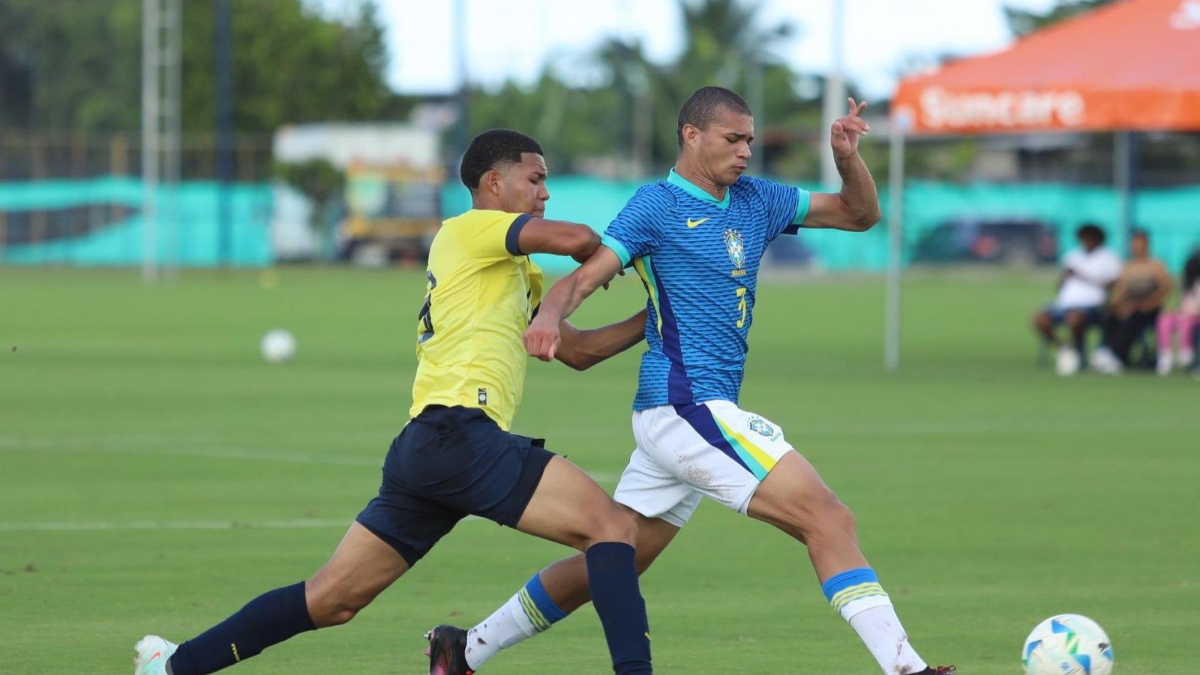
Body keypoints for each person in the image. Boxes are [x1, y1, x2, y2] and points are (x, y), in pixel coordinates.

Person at [426, 87, 955, 675]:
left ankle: (465, 648)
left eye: (750, 140)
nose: (745, 152)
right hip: (687, 407)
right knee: (827, 517)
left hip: (683, 414)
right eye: (733, 140)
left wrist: (847, 157)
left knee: (617, 554)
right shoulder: (653, 207)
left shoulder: (759, 200)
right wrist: (550, 316)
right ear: (692, 136)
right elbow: (585, 276)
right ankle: (905, 667)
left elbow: (859, 215)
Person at [132, 129, 654, 675]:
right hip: (460, 436)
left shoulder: (513, 270)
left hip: (429, 448)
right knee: (613, 529)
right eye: (536, 178)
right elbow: (576, 238)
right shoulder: (472, 229)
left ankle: (172, 668)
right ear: (494, 183)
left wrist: (658, 317)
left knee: (331, 599)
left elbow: (582, 352)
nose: (545, 192)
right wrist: (620, 251)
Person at [1031, 223, 1122, 375]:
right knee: (1039, 319)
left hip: (1092, 305)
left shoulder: (1109, 258)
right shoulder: (1072, 256)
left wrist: (1083, 276)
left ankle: (1078, 351)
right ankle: (1065, 348)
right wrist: (1064, 278)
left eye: (1089, 238)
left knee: (1074, 318)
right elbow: (1060, 286)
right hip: (1065, 303)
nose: (1085, 241)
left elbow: (1113, 284)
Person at [1091, 230, 1172, 375]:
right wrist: (1117, 305)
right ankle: (1105, 350)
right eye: (1135, 245)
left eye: (1140, 245)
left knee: (1133, 318)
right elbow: (1121, 293)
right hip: (1130, 306)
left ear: (1147, 245)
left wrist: (1148, 303)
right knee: (1110, 315)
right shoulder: (1127, 268)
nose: (1137, 248)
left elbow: (1165, 290)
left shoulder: (1156, 266)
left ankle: (1115, 354)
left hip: (1148, 308)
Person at [1155, 247, 1200, 375]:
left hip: (1194, 317)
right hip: (1185, 314)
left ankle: (1186, 352)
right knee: (1165, 319)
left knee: (1184, 321)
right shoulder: (1185, 286)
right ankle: (1165, 354)